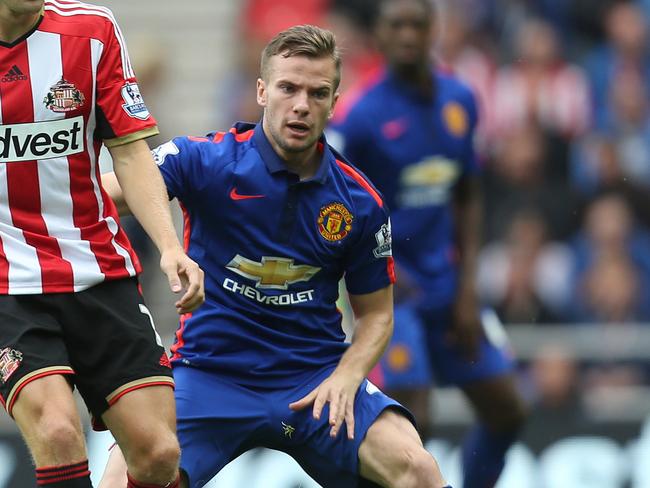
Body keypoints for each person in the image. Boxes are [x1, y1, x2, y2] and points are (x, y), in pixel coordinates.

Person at [100, 24, 452, 488]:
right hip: (210, 371)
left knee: (419, 470)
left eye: (318, 92)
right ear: (263, 91)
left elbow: (377, 317)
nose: (302, 105)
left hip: (314, 378)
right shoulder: (207, 161)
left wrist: (347, 377)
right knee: (125, 475)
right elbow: (106, 194)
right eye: (288, 88)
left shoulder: (360, 202)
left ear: (334, 101)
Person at [0, 1, 204, 488]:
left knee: (158, 454)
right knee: (57, 431)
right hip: (8, 279)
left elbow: (131, 151)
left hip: (97, 267)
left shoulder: (92, 30)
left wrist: (170, 246)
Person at [328, 1, 527, 487]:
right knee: (412, 425)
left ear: (432, 28)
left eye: (417, 23)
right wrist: (376, 275)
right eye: (397, 25)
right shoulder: (359, 116)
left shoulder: (460, 99)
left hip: (450, 287)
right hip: (393, 293)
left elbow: (467, 192)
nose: (409, 34)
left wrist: (467, 288)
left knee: (509, 411)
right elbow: (338, 207)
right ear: (379, 33)